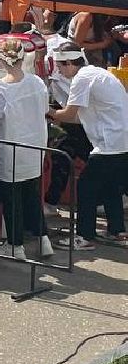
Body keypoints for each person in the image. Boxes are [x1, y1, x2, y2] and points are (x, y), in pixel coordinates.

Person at [48, 46, 128, 249]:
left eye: (60, 67)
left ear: (69, 63)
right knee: (110, 186)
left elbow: (69, 114)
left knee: (86, 187)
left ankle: (84, 236)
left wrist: (48, 111)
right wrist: (57, 117)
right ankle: (117, 231)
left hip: (109, 143)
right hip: (120, 140)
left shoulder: (82, 79)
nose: (59, 72)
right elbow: (78, 117)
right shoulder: (97, 73)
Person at [0, 37, 49, 260]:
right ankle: (43, 239)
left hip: (11, 149)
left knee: (12, 198)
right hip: (35, 147)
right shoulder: (37, 83)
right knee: (32, 193)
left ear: (0, 60)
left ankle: (15, 246)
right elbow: (44, 109)